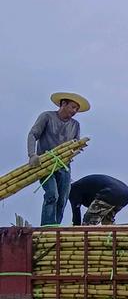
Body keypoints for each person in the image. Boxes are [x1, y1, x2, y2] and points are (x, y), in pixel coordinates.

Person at [27, 92, 90, 226]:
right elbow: (33, 134)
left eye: (77, 109)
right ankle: (47, 227)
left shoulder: (75, 125)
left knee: (62, 199)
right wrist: (32, 155)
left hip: (64, 165)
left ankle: (56, 228)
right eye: (72, 107)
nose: (74, 111)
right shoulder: (47, 117)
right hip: (44, 164)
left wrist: (75, 151)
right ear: (63, 104)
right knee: (52, 195)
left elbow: (75, 144)